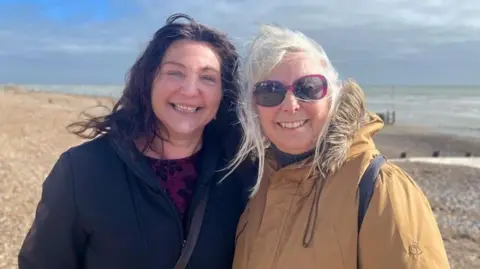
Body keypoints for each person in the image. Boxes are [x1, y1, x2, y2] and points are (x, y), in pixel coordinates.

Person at [18, 13, 256, 269]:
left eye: (207, 77)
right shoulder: (83, 169)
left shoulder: (239, 173)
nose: (189, 90)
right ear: (148, 81)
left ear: (223, 94)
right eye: (175, 73)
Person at [228, 25, 451, 269]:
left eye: (309, 88)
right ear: (253, 106)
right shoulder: (257, 185)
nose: (291, 105)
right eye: (270, 91)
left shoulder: (378, 187)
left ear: (332, 97)